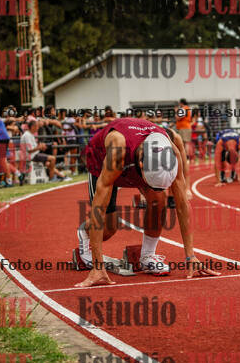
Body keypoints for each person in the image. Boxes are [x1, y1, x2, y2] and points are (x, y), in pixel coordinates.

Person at [74, 117, 219, 288]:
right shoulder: (117, 148)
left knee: (159, 199)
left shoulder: (171, 151)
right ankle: (85, 232)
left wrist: (190, 256)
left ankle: (147, 255)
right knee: (109, 227)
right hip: (102, 162)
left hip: (135, 158)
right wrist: (98, 266)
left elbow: (182, 205)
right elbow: (98, 209)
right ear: (141, 166)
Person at [20, 117, 61, 182]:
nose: (38, 128)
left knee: (48, 163)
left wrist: (41, 147)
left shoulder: (29, 134)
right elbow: (30, 150)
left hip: (33, 155)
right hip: (32, 156)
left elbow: (33, 148)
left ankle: (58, 176)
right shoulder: (27, 135)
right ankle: (52, 178)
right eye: (36, 126)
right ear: (32, 127)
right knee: (53, 158)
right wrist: (39, 147)